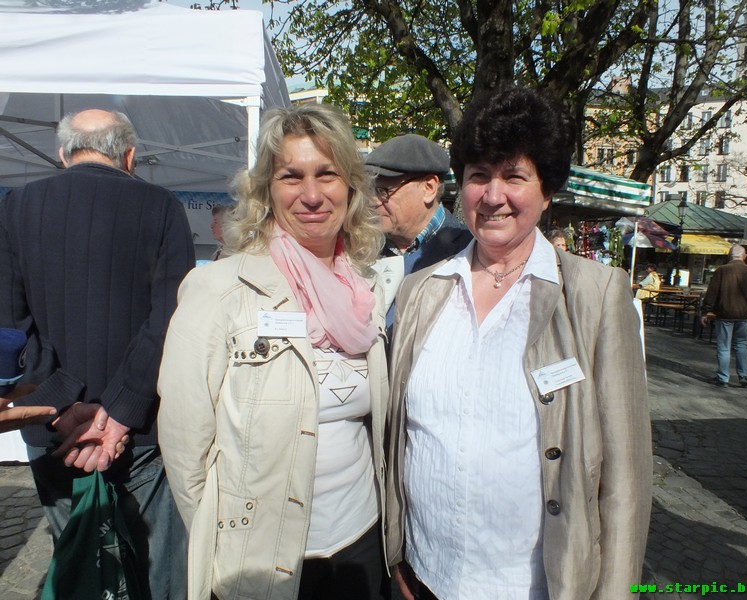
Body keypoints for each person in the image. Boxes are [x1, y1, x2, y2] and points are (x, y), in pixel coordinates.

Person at [385, 86, 652, 600]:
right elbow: (400, 436)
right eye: (479, 175)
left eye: (514, 176)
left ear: (546, 189)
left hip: (530, 585)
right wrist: (399, 551)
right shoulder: (421, 290)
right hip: (425, 574)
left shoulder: (595, 296)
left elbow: (626, 480)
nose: (492, 195)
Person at [157, 103, 390, 600]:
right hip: (261, 557)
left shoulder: (366, 289)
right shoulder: (219, 288)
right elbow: (183, 439)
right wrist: (221, 537)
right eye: (291, 176)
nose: (311, 195)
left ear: (349, 186)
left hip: (362, 540)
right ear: (266, 188)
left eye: (326, 174)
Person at [0, 109, 195, 597]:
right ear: (129, 155)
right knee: (157, 575)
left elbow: (10, 327)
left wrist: (65, 406)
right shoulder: (162, 206)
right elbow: (172, 319)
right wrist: (119, 409)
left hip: (51, 430)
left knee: (79, 564)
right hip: (142, 431)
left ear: (63, 154)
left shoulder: (16, 207)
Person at [364, 134, 471, 326]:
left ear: (429, 188)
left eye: (383, 191)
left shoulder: (468, 253)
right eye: (370, 190)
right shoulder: (361, 248)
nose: (372, 201)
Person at [700, 245, 747, 387]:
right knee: (741, 345)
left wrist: (705, 312)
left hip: (724, 313)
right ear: (744, 256)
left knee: (724, 346)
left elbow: (712, 293)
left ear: (729, 256)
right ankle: (744, 376)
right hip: (744, 314)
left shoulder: (721, 270)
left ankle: (723, 378)